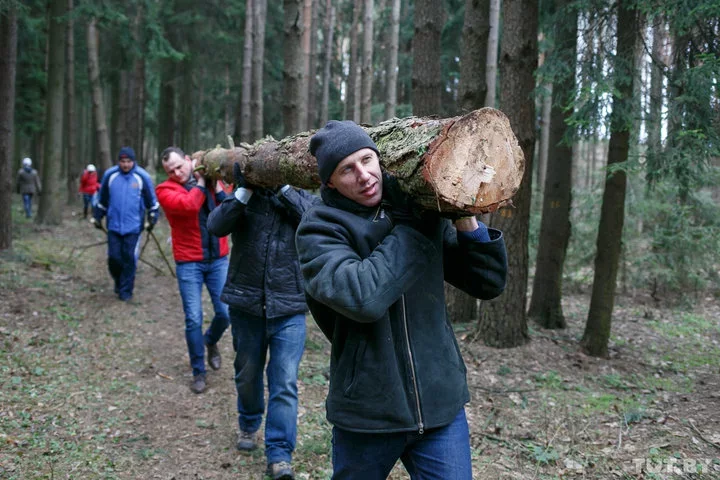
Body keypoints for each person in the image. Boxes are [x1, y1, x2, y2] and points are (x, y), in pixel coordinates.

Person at [295, 120, 509, 480]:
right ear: (329, 181)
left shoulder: (414, 205)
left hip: (440, 402)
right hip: (367, 411)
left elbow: (487, 282)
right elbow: (362, 296)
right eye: (347, 169)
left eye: (367, 160)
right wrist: (412, 228)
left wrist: (464, 219)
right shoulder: (319, 228)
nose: (364, 175)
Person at [207, 164, 318, 480]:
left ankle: (280, 454)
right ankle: (249, 421)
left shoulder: (299, 198)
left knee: (284, 381)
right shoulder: (243, 199)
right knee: (247, 373)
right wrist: (245, 190)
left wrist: (283, 189)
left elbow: (312, 219)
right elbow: (216, 226)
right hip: (246, 306)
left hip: (290, 308)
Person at [156, 147, 231, 394]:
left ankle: (210, 341)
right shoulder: (165, 190)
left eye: (180, 166)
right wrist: (200, 183)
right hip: (189, 262)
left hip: (218, 259)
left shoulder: (209, 178)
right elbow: (189, 206)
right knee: (193, 318)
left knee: (225, 313)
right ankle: (198, 371)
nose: (177, 173)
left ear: (189, 160)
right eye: (171, 170)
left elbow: (229, 206)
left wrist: (214, 182)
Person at [93, 147, 160, 302]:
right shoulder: (110, 175)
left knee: (129, 258)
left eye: (128, 161)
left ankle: (126, 291)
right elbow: (102, 200)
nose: (125, 165)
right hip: (114, 226)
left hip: (134, 227)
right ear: (118, 162)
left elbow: (152, 202)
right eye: (122, 161)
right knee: (114, 258)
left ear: (133, 161)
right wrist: (97, 216)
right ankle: (118, 281)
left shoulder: (141, 176)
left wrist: (152, 218)